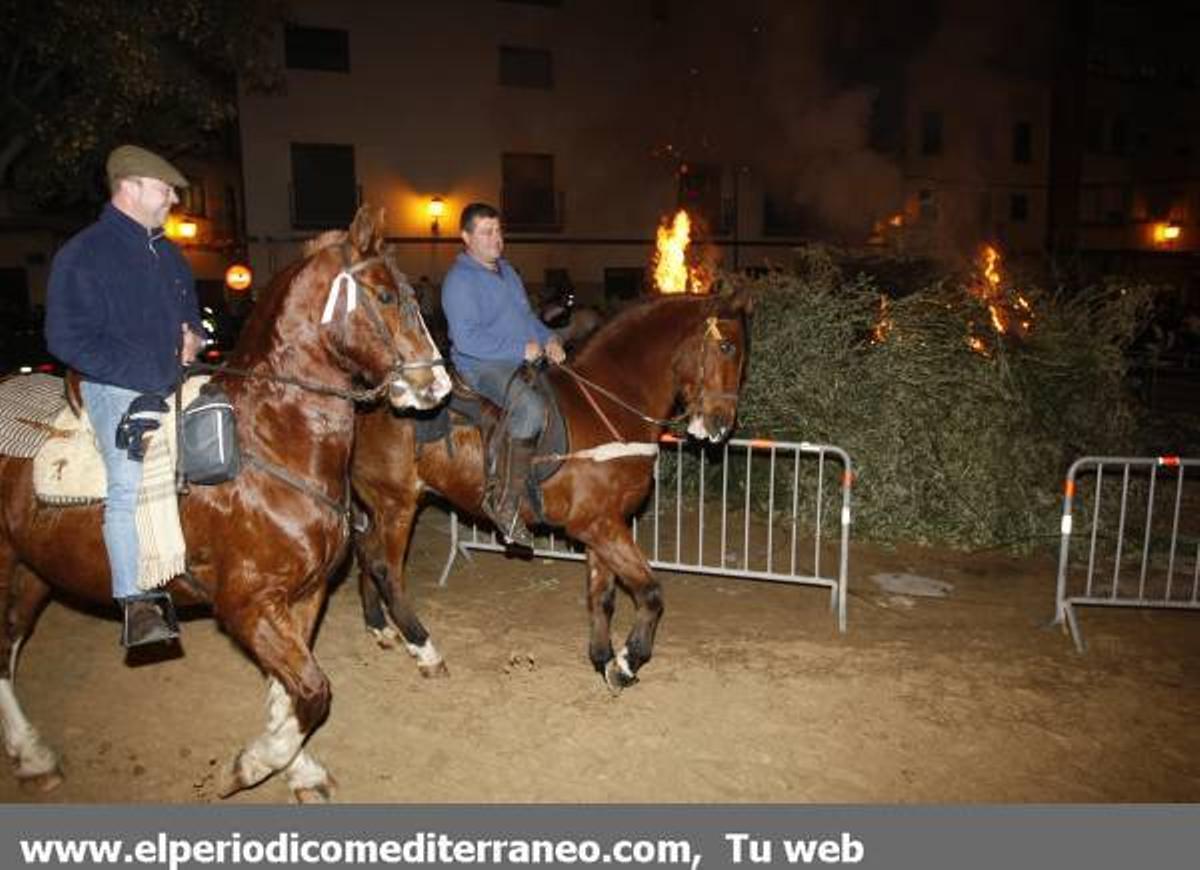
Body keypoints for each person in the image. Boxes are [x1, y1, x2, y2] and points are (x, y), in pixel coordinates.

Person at [45, 144, 203, 647]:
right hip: (114, 385)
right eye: (165, 189)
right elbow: (66, 339)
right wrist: (142, 373)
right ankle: (135, 599)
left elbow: (193, 319)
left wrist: (193, 338)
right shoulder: (83, 254)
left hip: (173, 379)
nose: (174, 199)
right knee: (128, 479)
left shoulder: (171, 255)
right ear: (130, 187)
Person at [441, 202, 565, 549]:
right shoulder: (459, 281)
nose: (497, 239)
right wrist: (520, 349)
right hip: (480, 366)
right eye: (487, 232)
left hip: (516, 357)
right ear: (466, 238)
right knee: (527, 409)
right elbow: (467, 338)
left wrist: (548, 338)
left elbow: (526, 319)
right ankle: (506, 505)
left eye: (499, 231)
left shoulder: (508, 272)